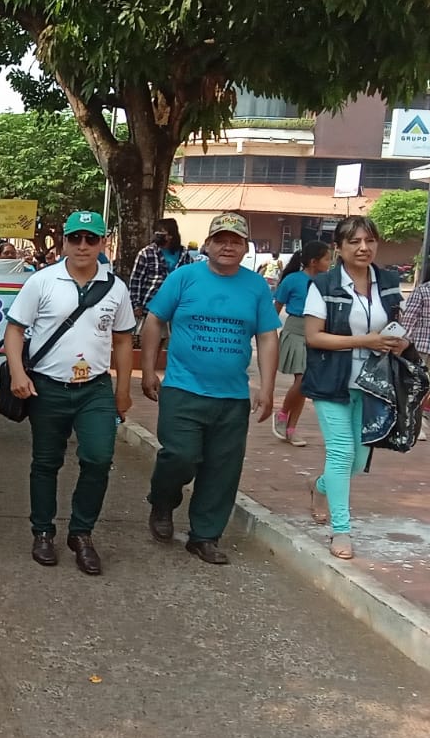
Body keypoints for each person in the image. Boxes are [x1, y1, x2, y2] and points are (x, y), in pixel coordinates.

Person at [141, 212, 280, 565]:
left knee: (222, 469)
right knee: (180, 455)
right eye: (221, 239)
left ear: (246, 248)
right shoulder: (184, 278)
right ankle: (162, 501)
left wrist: (266, 387)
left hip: (232, 396)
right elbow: (155, 320)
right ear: (208, 244)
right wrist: (147, 369)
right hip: (183, 389)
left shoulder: (256, 286)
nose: (228, 246)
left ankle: (204, 535)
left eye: (236, 241)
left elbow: (266, 336)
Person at [4, 213, 136, 574]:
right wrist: (17, 372)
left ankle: (81, 532)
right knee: (46, 462)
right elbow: (15, 330)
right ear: (63, 242)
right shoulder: (43, 282)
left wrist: (122, 391)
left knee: (98, 457)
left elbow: (124, 341)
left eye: (90, 239)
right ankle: (43, 531)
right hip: (47, 387)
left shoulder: (115, 288)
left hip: (94, 389)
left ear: (102, 243)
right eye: (75, 238)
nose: (82, 246)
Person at [301, 216, 406, 560]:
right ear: (340, 248)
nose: (363, 248)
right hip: (332, 381)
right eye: (354, 242)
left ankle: (319, 487)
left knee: (358, 462)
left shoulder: (389, 282)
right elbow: (314, 337)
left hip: (375, 384)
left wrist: (397, 343)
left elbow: (395, 325)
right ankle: (341, 530)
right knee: (342, 453)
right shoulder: (325, 285)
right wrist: (368, 340)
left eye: (369, 241)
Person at [271, 241, 332, 446]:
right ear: (314, 262)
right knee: (303, 379)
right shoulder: (292, 280)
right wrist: (268, 335)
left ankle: (291, 428)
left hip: (317, 332)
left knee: (306, 384)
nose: (329, 263)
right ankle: (282, 414)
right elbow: (277, 306)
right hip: (295, 330)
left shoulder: (327, 281)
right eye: (326, 258)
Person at [129, 217, 193, 319]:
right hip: (149, 309)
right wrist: (136, 305)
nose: (157, 235)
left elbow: (190, 281)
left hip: (177, 310)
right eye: (156, 232)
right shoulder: (146, 253)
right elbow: (136, 280)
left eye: (161, 232)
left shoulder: (184, 255)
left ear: (171, 235)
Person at [400, 275, 430, 441]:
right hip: (422, 349)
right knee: (418, 387)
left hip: (421, 347)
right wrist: (402, 342)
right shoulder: (422, 291)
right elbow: (408, 320)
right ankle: (415, 423)